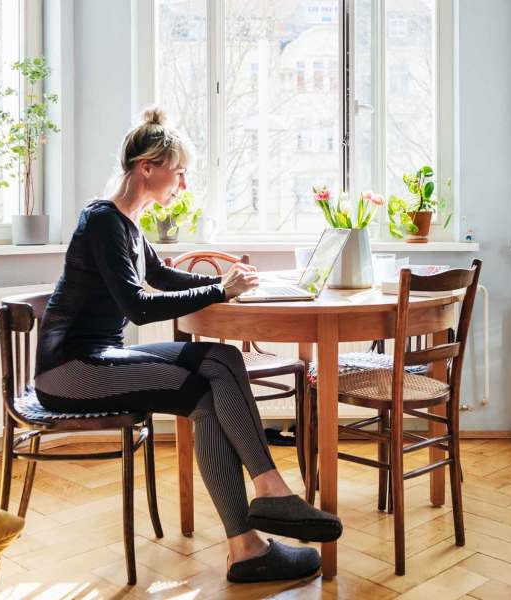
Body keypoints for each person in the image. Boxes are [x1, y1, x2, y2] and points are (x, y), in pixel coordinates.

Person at [34, 107, 341, 584]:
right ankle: (269, 496)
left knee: (216, 372)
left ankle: (248, 544)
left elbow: (158, 275)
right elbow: (138, 305)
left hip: (99, 359)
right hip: (71, 371)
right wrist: (220, 291)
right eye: (178, 173)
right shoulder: (102, 221)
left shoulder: (128, 225)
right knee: (217, 365)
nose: (182, 185)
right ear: (147, 167)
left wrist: (230, 282)